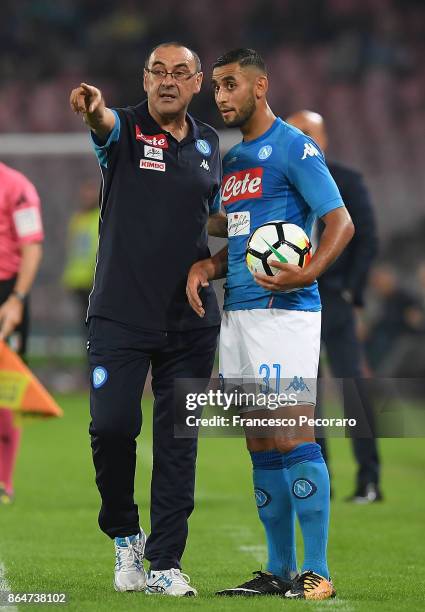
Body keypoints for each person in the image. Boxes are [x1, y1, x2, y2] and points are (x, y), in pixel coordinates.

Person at [187, 49, 354, 600]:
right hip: (237, 315)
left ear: (260, 87)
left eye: (230, 84)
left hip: (285, 315)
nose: (220, 95)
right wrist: (205, 266)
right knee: (260, 442)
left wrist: (305, 271)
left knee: (291, 434)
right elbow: (237, 240)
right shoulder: (234, 164)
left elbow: (340, 222)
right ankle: (278, 569)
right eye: (215, 86)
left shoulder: (294, 147)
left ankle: (319, 572)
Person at [69, 42, 227, 596]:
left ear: (197, 81)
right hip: (120, 314)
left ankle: (164, 563)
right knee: (112, 428)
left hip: (190, 320)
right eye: (157, 72)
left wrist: (252, 232)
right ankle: (123, 535)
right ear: (144, 79)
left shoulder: (209, 143)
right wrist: (93, 109)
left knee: (179, 441)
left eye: (179, 73)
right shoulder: (126, 132)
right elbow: (102, 121)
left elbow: (212, 218)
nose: (167, 81)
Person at [286, 110, 382, 503]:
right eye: (295, 133)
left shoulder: (346, 179)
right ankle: (320, 481)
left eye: (308, 132)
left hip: (333, 297)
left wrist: (351, 293)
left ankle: (369, 480)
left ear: (324, 137)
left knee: (351, 389)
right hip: (294, 298)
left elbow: (367, 237)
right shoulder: (284, 178)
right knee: (306, 396)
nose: (302, 139)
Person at [0, 161, 43, 504]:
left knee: (4, 390)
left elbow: (32, 247)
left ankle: (3, 479)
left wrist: (16, 299)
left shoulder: (16, 187)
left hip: (6, 294)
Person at [62, 179, 99, 330]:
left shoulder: (101, 217)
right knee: (84, 322)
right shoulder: (76, 219)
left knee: (94, 321)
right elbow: (73, 250)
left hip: (95, 279)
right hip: (78, 280)